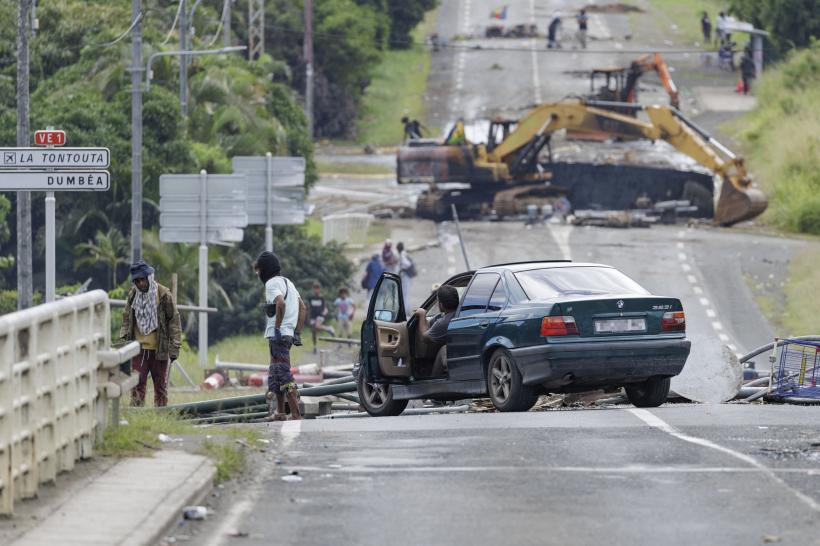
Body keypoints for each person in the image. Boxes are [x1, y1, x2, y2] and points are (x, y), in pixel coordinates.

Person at [119, 260, 181, 408]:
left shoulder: (164, 294)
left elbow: (174, 321)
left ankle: (161, 414)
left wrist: (175, 347)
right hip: (138, 349)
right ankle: (136, 415)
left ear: (149, 277)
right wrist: (123, 342)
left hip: (159, 349)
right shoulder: (133, 295)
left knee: (160, 386)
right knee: (137, 385)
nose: (141, 284)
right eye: (137, 281)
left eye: (142, 279)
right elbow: (127, 318)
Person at [254, 251, 306, 421]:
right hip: (288, 335)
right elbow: (303, 308)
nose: (258, 274)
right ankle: (280, 412)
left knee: (283, 373)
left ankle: (296, 414)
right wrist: (297, 331)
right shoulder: (288, 283)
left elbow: (280, 303)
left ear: (265, 270)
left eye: (259, 270)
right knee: (275, 372)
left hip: (279, 335)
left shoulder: (270, 284)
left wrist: (277, 328)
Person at [412, 285, 460, 378]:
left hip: (455, 359)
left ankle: (433, 381)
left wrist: (422, 315)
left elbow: (424, 337)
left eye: (438, 301)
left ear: (441, 304)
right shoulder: (459, 314)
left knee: (443, 350)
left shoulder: (444, 322)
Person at [308, 281, 335, 352]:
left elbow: (325, 307)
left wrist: (325, 311)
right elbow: (310, 308)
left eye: (317, 288)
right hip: (313, 317)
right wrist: (309, 317)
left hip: (320, 315)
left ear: (320, 289)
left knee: (317, 326)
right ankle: (315, 346)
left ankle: (329, 328)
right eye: (315, 288)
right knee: (314, 332)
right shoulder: (311, 298)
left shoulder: (322, 298)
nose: (316, 290)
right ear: (313, 289)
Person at [397, 242, 416, 312]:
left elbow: (407, 264)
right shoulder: (404, 253)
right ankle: (406, 309)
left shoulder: (402, 255)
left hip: (406, 276)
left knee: (405, 293)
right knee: (405, 293)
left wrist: (402, 269)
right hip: (407, 276)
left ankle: (405, 309)